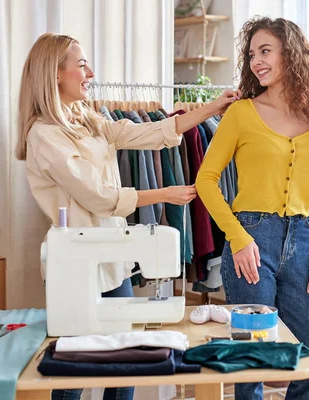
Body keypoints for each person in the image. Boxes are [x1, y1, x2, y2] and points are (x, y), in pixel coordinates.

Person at [15, 33, 240, 400]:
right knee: (76, 368)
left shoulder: (86, 119)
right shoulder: (44, 135)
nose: (91, 71)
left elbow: (147, 131)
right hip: (76, 265)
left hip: (111, 256)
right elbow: (99, 197)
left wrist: (211, 109)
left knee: (127, 360)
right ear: (55, 73)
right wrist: (164, 195)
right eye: (82, 63)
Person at [195, 17, 309, 400]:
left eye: (265, 51)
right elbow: (205, 180)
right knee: (252, 364)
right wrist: (239, 238)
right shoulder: (241, 114)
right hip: (252, 241)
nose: (256, 61)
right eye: (251, 54)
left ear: (290, 54)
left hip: (306, 243)